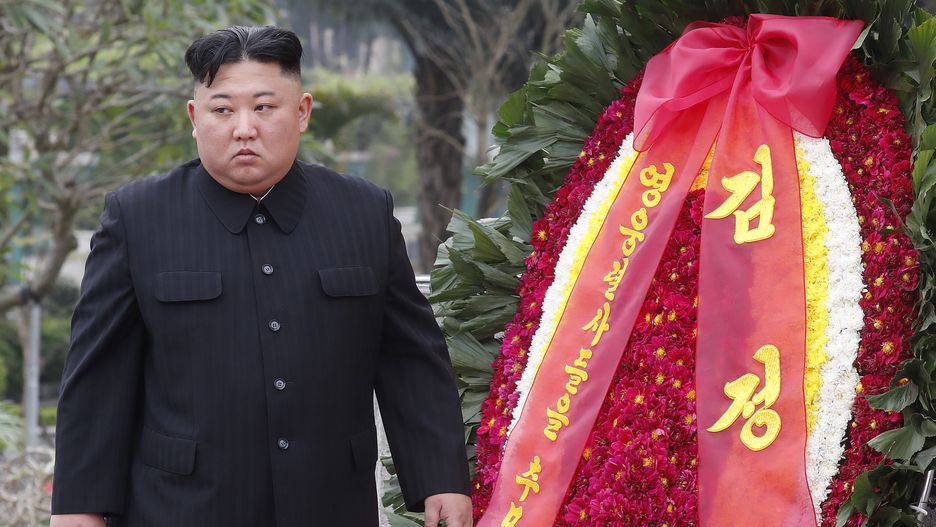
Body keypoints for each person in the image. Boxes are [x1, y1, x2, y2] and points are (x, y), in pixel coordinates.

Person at [49, 25, 471, 527]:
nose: (243, 128)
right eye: (222, 109)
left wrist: (440, 477)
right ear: (194, 117)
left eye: (264, 107)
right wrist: (79, 510)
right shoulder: (137, 217)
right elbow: (97, 380)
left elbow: (411, 359)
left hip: (330, 506)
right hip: (179, 508)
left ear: (302, 111)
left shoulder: (363, 212)